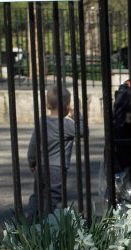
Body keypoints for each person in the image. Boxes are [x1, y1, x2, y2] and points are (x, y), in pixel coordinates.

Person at [27, 82, 78, 219]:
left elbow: (33, 144)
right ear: (67, 107)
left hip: (41, 166)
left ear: (47, 104)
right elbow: (83, 131)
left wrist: (32, 160)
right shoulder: (67, 125)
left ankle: (31, 219)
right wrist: (76, 117)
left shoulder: (42, 121)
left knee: (38, 194)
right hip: (57, 168)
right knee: (53, 196)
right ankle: (47, 222)